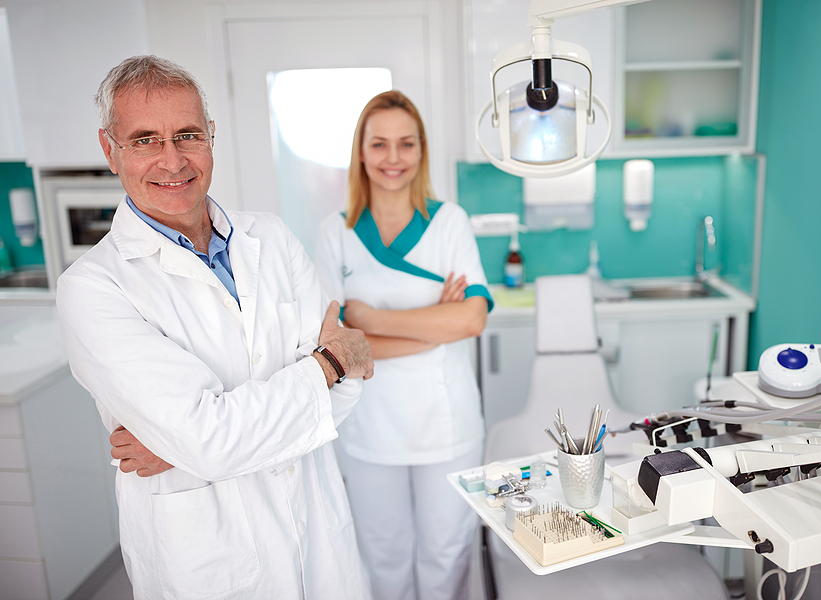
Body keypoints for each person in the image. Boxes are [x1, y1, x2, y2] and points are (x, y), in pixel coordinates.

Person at [55, 55, 375, 600]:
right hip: (211, 564)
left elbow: (348, 393)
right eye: (145, 140)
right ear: (111, 150)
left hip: (319, 539)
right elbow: (335, 370)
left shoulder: (270, 238)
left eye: (187, 134)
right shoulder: (92, 288)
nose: (172, 159)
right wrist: (328, 363)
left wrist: (181, 445)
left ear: (211, 138)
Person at [314, 90, 493, 600]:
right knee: (383, 556)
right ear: (362, 152)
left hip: (446, 422)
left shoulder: (449, 223)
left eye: (406, 144)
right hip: (368, 425)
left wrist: (372, 319)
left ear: (421, 151)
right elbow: (338, 343)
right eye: (380, 144)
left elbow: (473, 318)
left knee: (446, 555)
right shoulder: (336, 233)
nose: (394, 158)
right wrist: (436, 323)